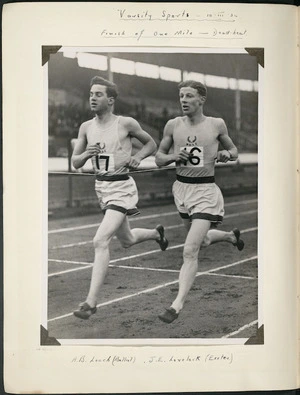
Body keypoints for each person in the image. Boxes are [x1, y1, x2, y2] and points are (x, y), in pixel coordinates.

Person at [72, 76, 168, 319]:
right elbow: (75, 162)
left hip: (122, 188)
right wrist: (85, 154)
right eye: (91, 93)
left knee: (100, 240)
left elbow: (151, 144)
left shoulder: (125, 123)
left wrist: (138, 157)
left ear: (111, 100)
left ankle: (90, 302)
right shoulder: (86, 127)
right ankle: (157, 234)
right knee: (127, 239)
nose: (93, 97)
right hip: (102, 188)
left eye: (98, 94)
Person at [155, 80, 244, 324]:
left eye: (189, 96)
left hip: (205, 191)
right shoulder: (173, 125)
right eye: (181, 95)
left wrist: (227, 154)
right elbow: (158, 159)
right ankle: (230, 237)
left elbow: (234, 150)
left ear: (201, 99)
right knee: (202, 240)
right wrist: (173, 156)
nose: (183, 100)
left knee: (189, 249)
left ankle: (176, 305)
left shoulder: (216, 124)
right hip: (181, 190)